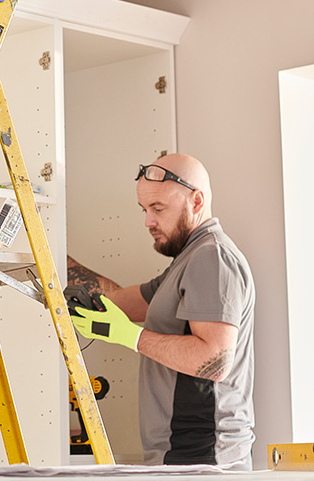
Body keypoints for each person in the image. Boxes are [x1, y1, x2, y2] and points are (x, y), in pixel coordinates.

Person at [66, 153, 255, 469]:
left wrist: (130, 336)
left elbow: (215, 361)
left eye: (158, 209)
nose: (148, 221)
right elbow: (116, 299)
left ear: (196, 201)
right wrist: (49, 252)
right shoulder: (188, 261)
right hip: (183, 455)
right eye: (144, 209)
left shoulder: (211, 258)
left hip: (203, 457)